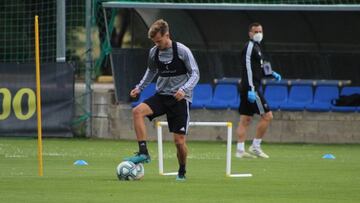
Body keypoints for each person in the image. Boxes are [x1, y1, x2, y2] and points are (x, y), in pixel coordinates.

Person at [125, 19, 200, 181]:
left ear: (167, 35)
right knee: (137, 111)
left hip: (180, 99)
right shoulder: (154, 52)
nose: (157, 44)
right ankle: (143, 152)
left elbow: (195, 74)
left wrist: (184, 89)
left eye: (159, 41)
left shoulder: (182, 51)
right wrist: (139, 88)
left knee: (179, 142)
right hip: (161, 96)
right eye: (154, 42)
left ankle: (182, 170)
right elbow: (151, 71)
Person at [235, 22, 281, 159]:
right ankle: (255, 146)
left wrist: (271, 73)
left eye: (260, 31)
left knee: (245, 119)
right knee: (267, 116)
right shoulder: (249, 47)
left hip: (248, 87)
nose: (258, 34)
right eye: (255, 32)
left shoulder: (257, 47)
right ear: (250, 33)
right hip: (251, 88)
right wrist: (251, 89)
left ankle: (240, 150)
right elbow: (248, 70)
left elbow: (260, 66)